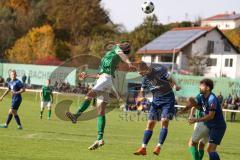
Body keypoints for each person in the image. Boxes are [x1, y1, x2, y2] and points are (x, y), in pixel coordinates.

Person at [65, 41, 133, 150]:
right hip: (104, 79)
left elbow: (123, 55)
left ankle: (76, 116)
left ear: (123, 48)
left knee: (89, 95)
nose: (123, 44)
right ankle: (100, 138)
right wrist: (87, 75)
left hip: (106, 80)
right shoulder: (111, 55)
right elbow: (99, 74)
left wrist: (128, 62)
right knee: (100, 111)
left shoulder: (117, 50)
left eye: (126, 45)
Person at [134, 62, 181, 156]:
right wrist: (140, 99)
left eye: (140, 71)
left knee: (164, 121)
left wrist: (176, 85)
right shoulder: (145, 79)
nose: (139, 73)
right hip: (156, 102)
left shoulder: (159, 71)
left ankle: (158, 146)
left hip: (168, 100)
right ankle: (143, 148)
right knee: (150, 124)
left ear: (145, 68)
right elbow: (142, 92)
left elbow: (170, 77)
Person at [187, 79, 226, 160]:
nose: (199, 87)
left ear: (208, 88)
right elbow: (198, 106)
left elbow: (211, 116)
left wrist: (195, 120)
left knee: (210, 149)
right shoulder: (201, 96)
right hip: (209, 125)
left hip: (217, 126)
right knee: (197, 144)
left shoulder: (212, 99)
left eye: (201, 86)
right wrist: (192, 102)